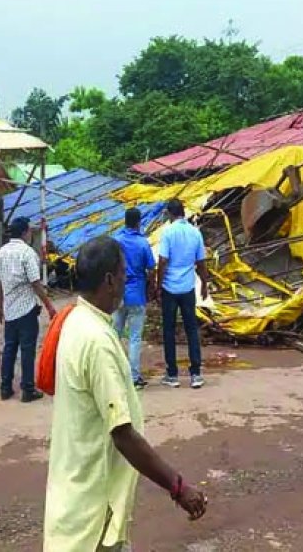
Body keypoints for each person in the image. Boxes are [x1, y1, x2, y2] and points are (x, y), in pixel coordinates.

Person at [44, 236, 206, 551]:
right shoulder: (98, 341)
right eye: (123, 276)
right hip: (92, 513)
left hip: (76, 495)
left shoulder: (75, 320)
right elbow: (123, 434)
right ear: (108, 280)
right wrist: (178, 486)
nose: (125, 283)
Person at [0, 217, 57, 402]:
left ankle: (5, 388)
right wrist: (49, 306)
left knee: (9, 348)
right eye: (29, 231)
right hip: (27, 308)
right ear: (24, 233)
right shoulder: (27, 253)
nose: (30, 234)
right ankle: (28, 389)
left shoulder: (1, 253)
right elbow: (36, 283)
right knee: (27, 350)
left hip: (10, 309)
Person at [157, 199, 208, 389]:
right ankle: (195, 374)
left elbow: (162, 261)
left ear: (170, 214)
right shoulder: (195, 233)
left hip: (170, 288)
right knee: (191, 330)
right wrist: (205, 284)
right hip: (188, 288)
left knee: (169, 331)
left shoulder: (168, 232)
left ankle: (172, 374)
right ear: (183, 212)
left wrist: (158, 285)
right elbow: (201, 262)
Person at [113, 207, 156, 389]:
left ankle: (112, 374)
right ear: (139, 222)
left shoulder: (116, 241)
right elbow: (151, 268)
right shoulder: (142, 243)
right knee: (135, 338)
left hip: (117, 294)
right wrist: (152, 287)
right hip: (137, 294)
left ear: (125, 221)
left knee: (114, 335)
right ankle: (134, 377)